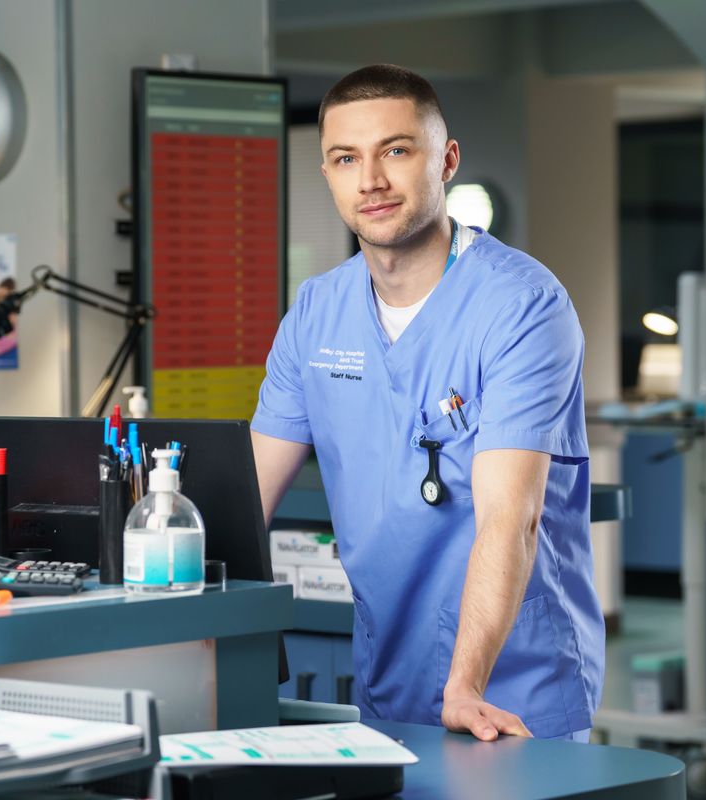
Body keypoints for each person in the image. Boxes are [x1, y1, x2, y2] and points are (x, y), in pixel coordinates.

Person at [251, 64, 603, 742]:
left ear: (446, 161)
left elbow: (513, 517)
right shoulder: (316, 313)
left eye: (396, 151)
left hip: (511, 692)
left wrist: (466, 686)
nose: (371, 180)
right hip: (389, 678)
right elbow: (246, 499)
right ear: (326, 174)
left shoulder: (522, 306)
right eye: (346, 158)